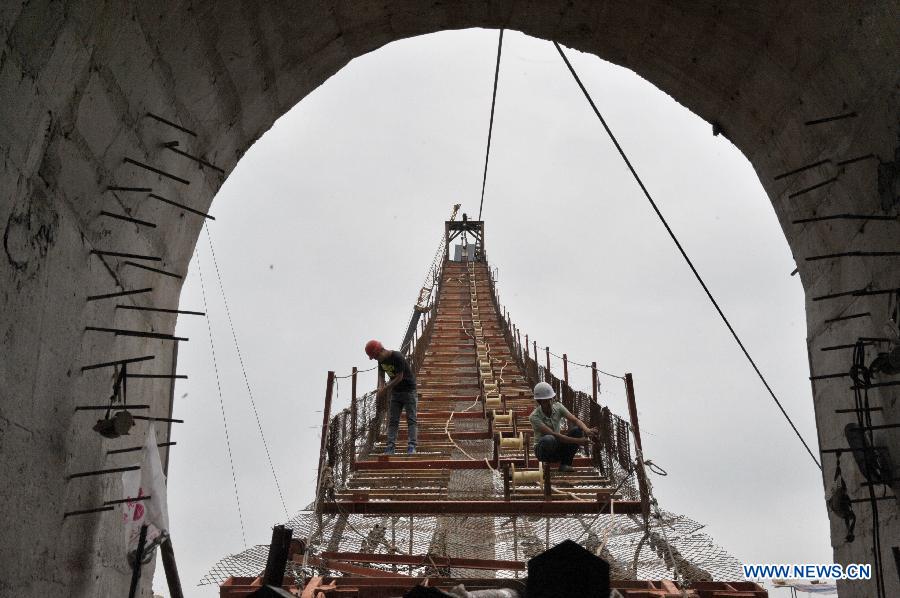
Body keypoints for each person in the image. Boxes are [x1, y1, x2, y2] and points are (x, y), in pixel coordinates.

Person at [528, 381, 598, 472]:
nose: (549, 403)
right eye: (545, 401)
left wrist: (587, 430)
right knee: (549, 439)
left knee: (577, 431)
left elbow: (575, 420)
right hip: (542, 451)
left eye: (550, 399)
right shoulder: (534, 417)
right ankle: (545, 465)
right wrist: (578, 441)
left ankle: (565, 464)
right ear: (539, 402)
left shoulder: (558, 407)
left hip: (556, 447)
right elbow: (554, 435)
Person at [365, 339, 418, 455]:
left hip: (409, 391)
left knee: (411, 420)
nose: (375, 359)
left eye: (375, 357)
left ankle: (411, 446)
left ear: (380, 352)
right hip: (396, 393)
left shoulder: (397, 357)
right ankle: (390, 447)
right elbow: (381, 376)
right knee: (393, 421)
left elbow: (399, 377)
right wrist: (380, 387)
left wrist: (385, 388)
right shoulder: (381, 361)